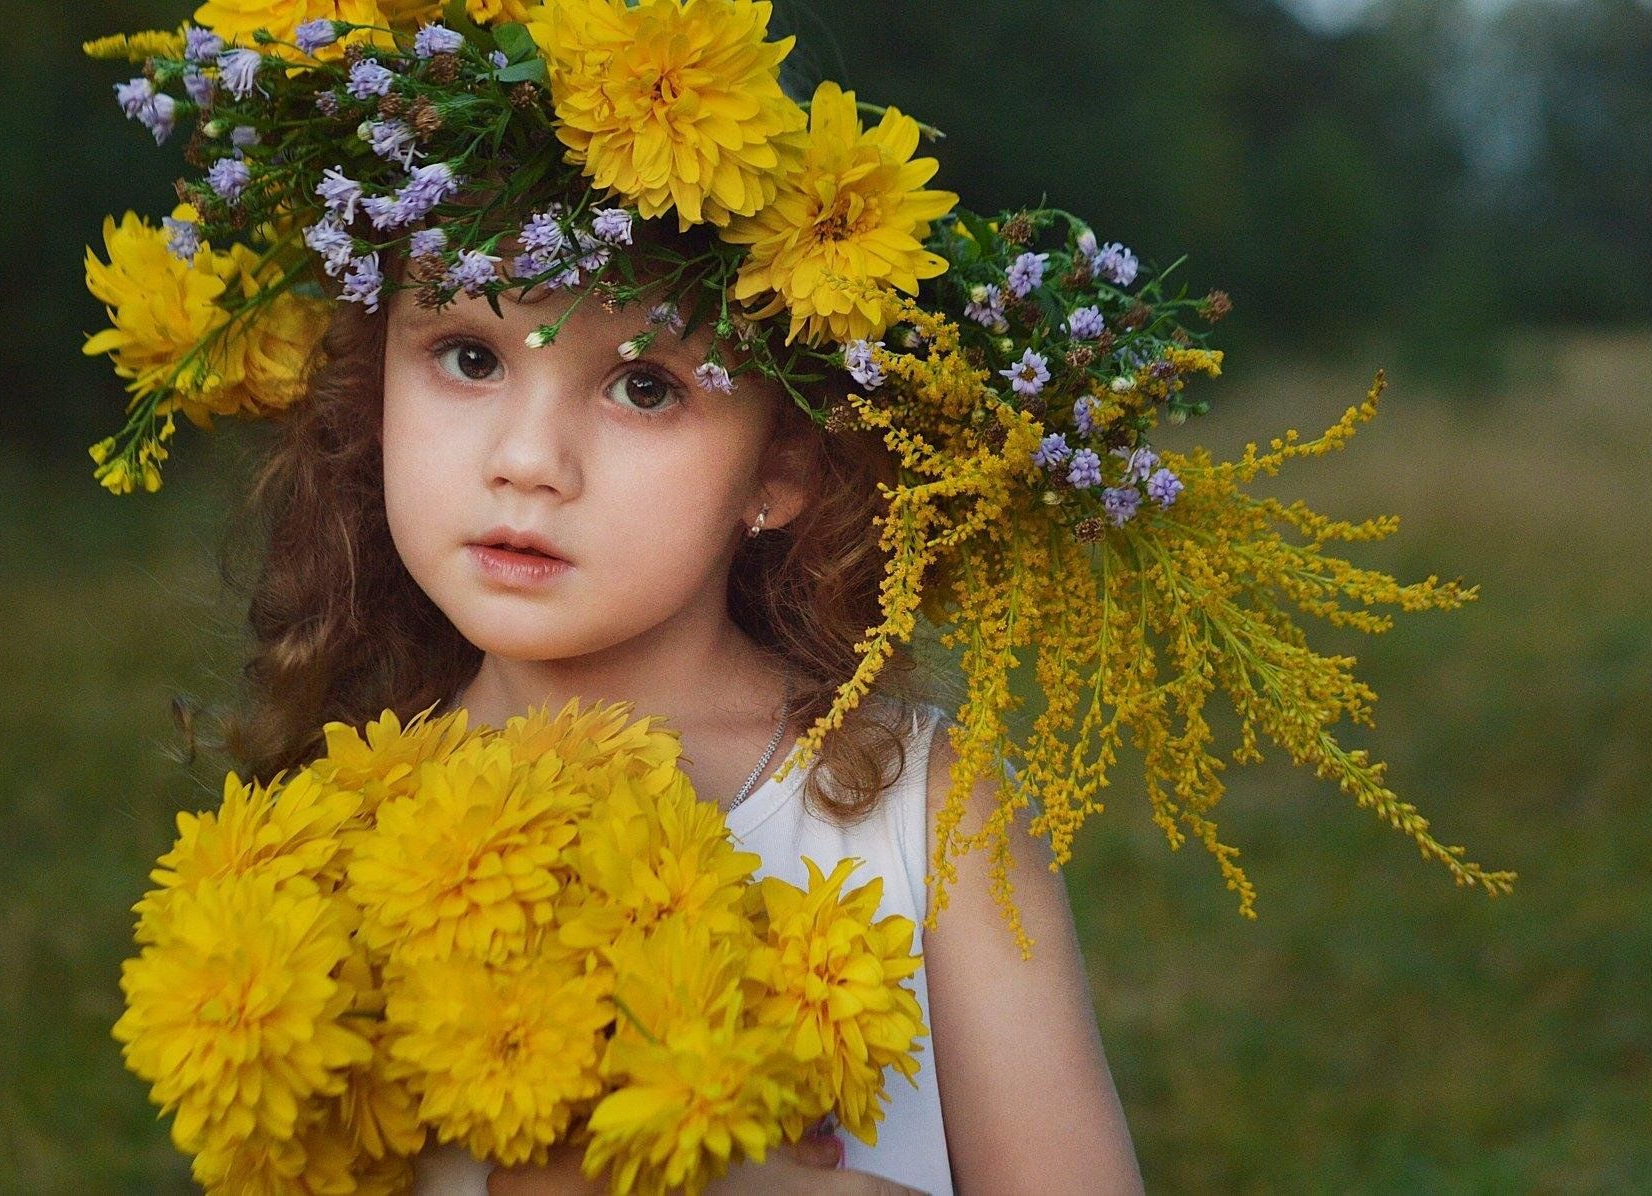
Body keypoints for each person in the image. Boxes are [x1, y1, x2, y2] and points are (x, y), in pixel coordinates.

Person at [230, 244, 1143, 1194]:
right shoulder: (328, 847)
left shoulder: (927, 812)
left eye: (646, 388)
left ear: (782, 465)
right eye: (470, 357)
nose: (528, 461)